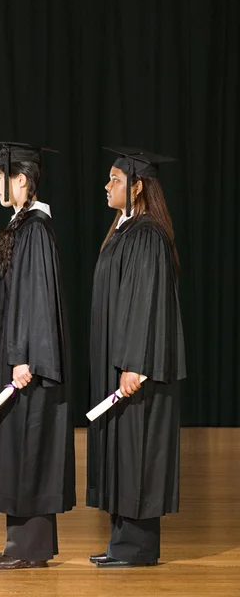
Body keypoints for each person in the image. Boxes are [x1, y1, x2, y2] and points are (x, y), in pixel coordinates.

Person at [0, 141, 76, 570]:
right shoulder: (23, 226)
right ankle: (21, 546)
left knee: (30, 448)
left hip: (27, 365)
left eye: (1, 175)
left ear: (21, 180)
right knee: (18, 448)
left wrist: (22, 357)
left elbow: (33, 299)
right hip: (20, 360)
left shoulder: (35, 229)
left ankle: (29, 549)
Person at [87, 147, 186, 568]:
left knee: (138, 453)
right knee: (122, 453)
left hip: (135, 371)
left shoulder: (146, 234)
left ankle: (137, 548)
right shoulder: (126, 230)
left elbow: (145, 303)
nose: (107, 185)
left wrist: (134, 362)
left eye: (115, 179)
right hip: (119, 366)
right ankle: (121, 543)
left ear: (138, 186)